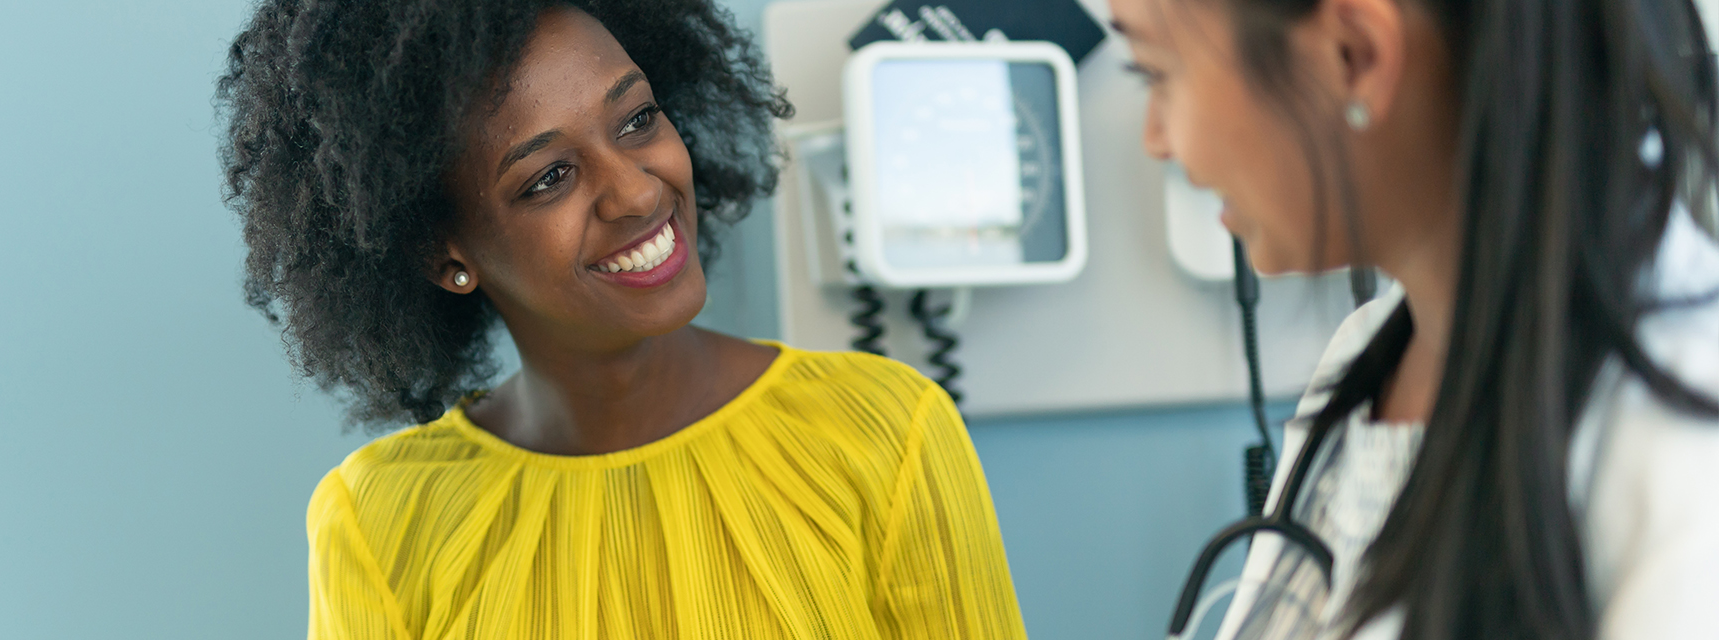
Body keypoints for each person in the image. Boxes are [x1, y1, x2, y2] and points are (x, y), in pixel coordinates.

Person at [216, 1, 1027, 638]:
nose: (639, 191)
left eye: (637, 119)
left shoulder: (887, 433)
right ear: (444, 251)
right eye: (551, 176)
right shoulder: (380, 522)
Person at [1110, 0, 1719, 637]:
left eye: (1157, 71)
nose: (1156, 138)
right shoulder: (1367, 359)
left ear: (1355, 56)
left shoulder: (1684, 455)